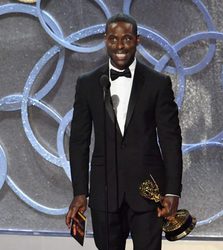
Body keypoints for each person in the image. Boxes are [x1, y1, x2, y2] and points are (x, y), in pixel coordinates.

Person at [65, 13, 183, 250]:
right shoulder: (88, 84)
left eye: (127, 39)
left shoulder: (157, 84)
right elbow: (79, 142)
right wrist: (80, 192)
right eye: (113, 39)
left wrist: (172, 191)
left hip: (148, 194)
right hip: (104, 193)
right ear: (105, 40)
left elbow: (170, 141)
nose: (120, 46)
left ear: (137, 41)